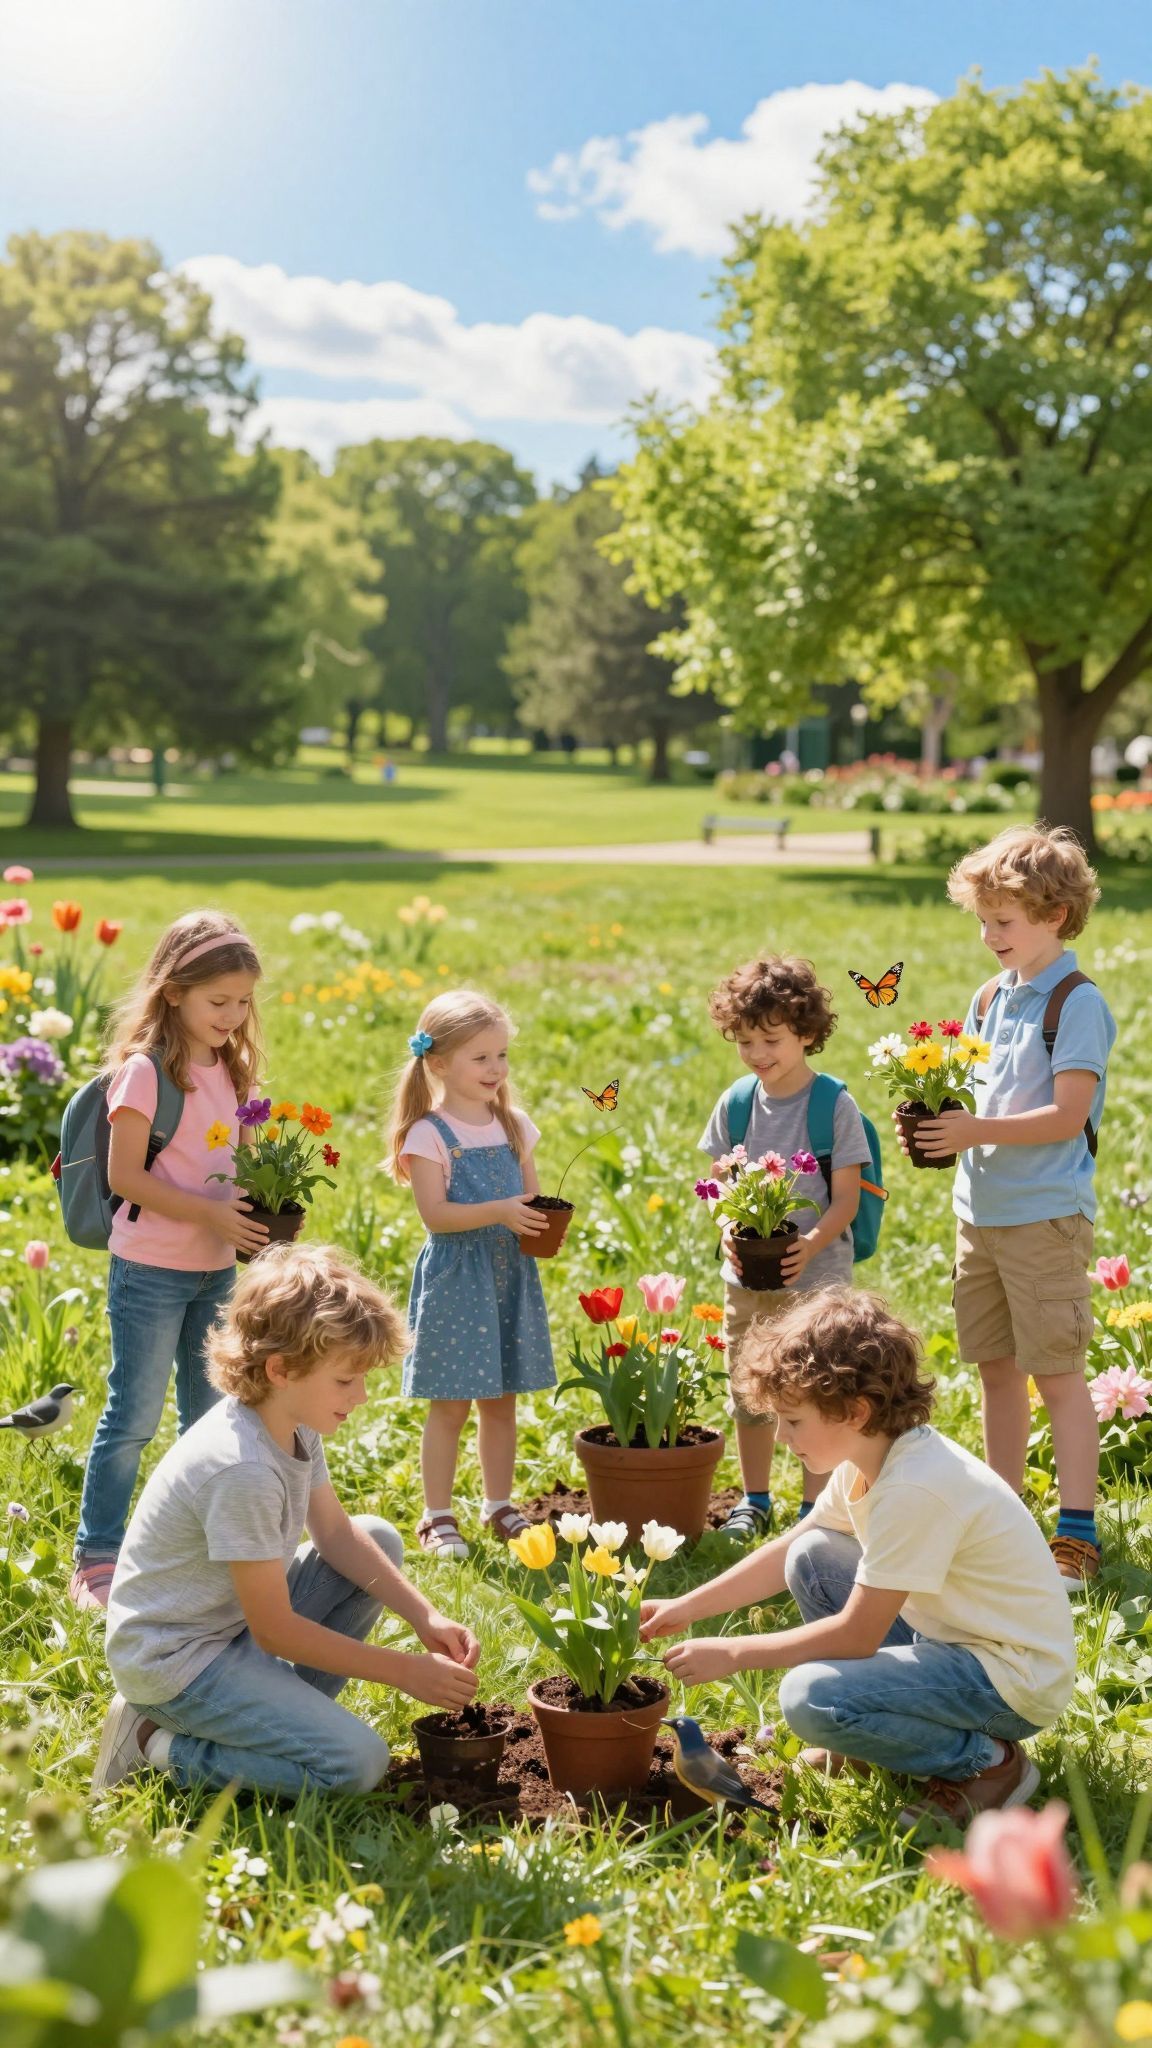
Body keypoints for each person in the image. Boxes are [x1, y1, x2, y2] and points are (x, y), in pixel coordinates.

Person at [639, 1287, 1076, 1827]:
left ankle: (989, 1765)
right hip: (956, 1643)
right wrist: (685, 1606)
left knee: (809, 1697)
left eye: (793, 1421)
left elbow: (855, 1637)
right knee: (812, 1555)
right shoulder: (867, 1457)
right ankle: (863, 1740)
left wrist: (733, 1653)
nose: (780, 1437)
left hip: (1011, 1680)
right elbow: (787, 1550)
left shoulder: (915, 1489)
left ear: (854, 1410)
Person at [93, 1244, 479, 1796]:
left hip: (230, 1630)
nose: (363, 1396)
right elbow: (276, 1629)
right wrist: (404, 1670)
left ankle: (279, 1719)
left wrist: (425, 1616)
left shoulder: (290, 1421)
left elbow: (336, 1534)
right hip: (176, 1665)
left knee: (376, 1538)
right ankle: (156, 1742)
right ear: (281, 1369)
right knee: (358, 1766)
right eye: (346, 1381)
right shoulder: (240, 1468)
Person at [912, 824, 1115, 1591]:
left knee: (1056, 1374)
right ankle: (1005, 1515)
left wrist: (975, 1128)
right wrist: (934, 1116)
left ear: (1055, 916)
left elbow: (1067, 1115)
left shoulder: (1076, 1002)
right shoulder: (991, 997)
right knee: (996, 1371)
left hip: (1043, 1218)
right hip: (981, 1215)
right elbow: (973, 1088)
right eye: (983, 920)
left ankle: (1077, 1534)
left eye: (1005, 921)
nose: (990, 935)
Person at [69, 911, 271, 1612]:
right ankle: (98, 1554)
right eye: (219, 1001)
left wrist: (257, 1209)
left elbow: (233, 1164)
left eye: (243, 1001)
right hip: (152, 1270)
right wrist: (212, 1213)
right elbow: (127, 1176)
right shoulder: (145, 1074)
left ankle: (192, 1547)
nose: (233, 1015)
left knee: (212, 1415)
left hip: (216, 1268)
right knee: (133, 1415)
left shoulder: (234, 1070)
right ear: (174, 991)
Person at [700, 955, 872, 1537]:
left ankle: (816, 1509)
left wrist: (811, 1241)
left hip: (817, 1278)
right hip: (746, 1279)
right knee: (749, 1387)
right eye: (745, 1041)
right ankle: (754, 1499)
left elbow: (845, 1199)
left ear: (806, 1033)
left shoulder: (832, 1106)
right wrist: (726, 1227)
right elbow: (719, 1185)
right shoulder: (739, 1102)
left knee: (818, 1390)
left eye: (771, 1039)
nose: (757, 1053)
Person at [387, 990, 555, 1558]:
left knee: (502, 1401)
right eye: (480, 1058)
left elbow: (529, 1195)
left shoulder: (514, 1124)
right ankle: (437, 1516)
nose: (496, 1069)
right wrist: (503, 1212)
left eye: (502, 1055)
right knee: (452, 1402)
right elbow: (436, 1216)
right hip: (459, 1282)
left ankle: (498, 1504)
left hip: (509, 1276)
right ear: (437, 1063)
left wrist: (539, 1217)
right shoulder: (429, 1134)